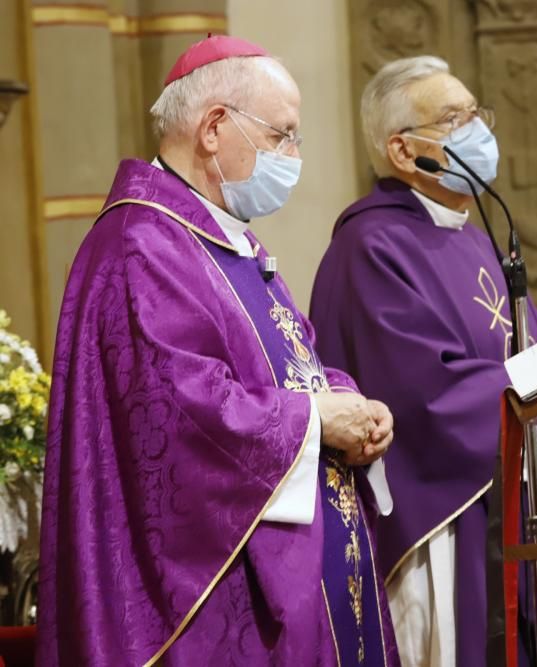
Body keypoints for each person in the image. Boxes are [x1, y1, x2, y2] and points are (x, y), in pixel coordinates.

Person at [38, 36, 397, 666]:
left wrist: (346, 400)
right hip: (216, 605)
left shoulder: (219, 241)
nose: (293, 154)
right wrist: (317, 420)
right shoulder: (142, 246)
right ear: (213, 128)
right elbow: (178, 414)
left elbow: (283, 362)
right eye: (283, 135)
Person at [309, 56, 537, 666]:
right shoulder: (371, 248)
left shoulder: (471, 232)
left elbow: (526, 337)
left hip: (513, 495)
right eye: (454, 118)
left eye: (474, 113)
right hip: (448, 520)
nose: (477, 130)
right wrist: (533, 378)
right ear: (404, 152)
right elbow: (422, 392)